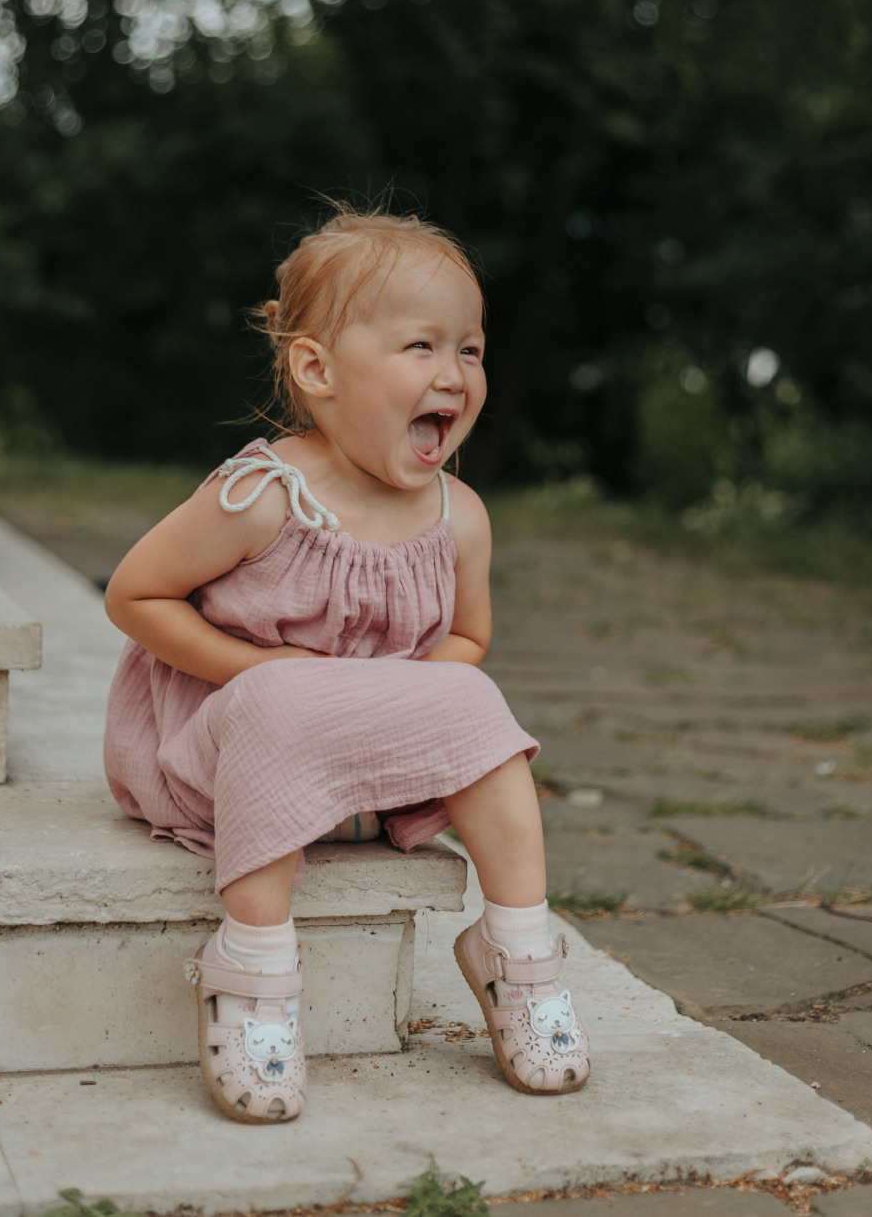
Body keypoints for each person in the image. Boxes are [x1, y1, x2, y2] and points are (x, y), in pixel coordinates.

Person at [102, 205, 590, 1124]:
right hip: (224, 758)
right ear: (318, 370)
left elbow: (467, 641)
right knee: (287, 698)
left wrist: (405, 692)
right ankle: (251, 963)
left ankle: (518, 953)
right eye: (420, 347)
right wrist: (254, 668)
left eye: (471, 351)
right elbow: (135, 595)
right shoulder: (263, 496)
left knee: (474, 700)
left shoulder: (460, 515)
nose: (452, 375)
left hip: (370, 780)